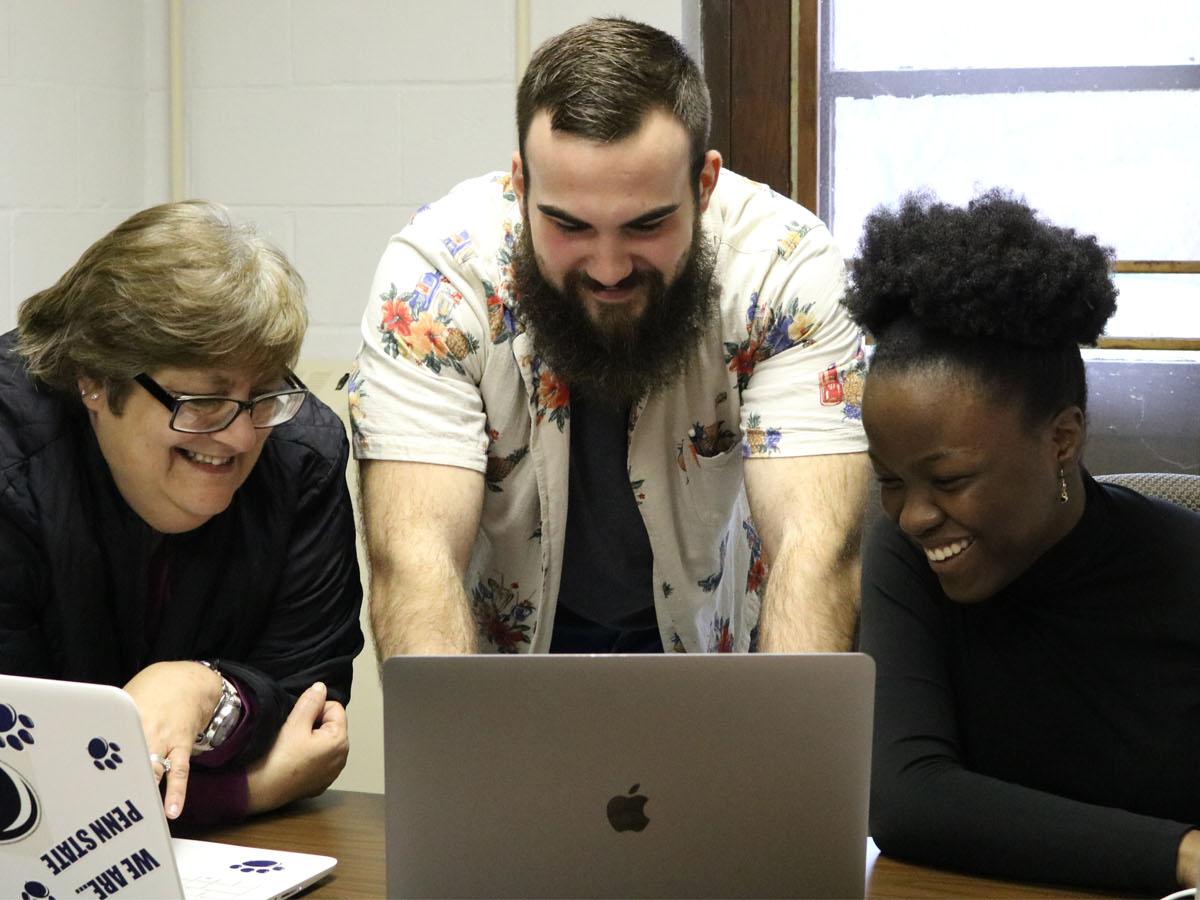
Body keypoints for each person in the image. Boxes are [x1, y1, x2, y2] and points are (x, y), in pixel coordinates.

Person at [350, 17, 869, 657]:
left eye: (646, 225)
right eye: (569, 225)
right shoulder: (435, 281)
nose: (609, 267)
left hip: (715, 657)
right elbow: (414, 560)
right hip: (506, 668)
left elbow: (815, 552)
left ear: (703, 187)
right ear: (520, 187)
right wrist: (455, 750)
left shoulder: (784, 268)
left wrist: (789, 751)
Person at [844, 190, 1200, 894]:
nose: (914, 515)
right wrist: (1184, 852)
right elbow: (908, 799)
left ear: (1061, 439)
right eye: (890, 480)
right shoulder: (906, 560)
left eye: (948, 479)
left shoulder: (1185, 567)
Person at [1, 201, 364, 825]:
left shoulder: (302, 454)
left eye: (261, 395)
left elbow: (312, 702)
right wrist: (253, 788)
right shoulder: (12, 461)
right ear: (94, 378)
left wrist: (204, 689)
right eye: (202, 400)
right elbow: (20, 785)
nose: (243, 437)